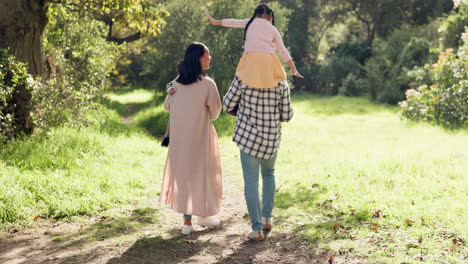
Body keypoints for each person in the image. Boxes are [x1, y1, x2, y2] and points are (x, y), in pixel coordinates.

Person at [207, 3, 300, 241]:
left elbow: (228, 104)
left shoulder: (242, 76)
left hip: (248, 139)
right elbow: (287, 115)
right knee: (269, 175)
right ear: (269, 17)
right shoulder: (280, 81)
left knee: (251, 181)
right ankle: (268, 219)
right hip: (271, 140)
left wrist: (217, 22)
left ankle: (257, 228)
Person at [160, 42, 222, 235]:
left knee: (184, 177)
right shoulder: (208, 84)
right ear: (199, 58)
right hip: (201, 136)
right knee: (202, 174)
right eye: (207, 55)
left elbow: (166, 104)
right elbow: (215, 113)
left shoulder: (176, 83)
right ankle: (204, 214)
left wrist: (170, 89)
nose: (210, 58)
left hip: (180, 138)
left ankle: (187, 222)